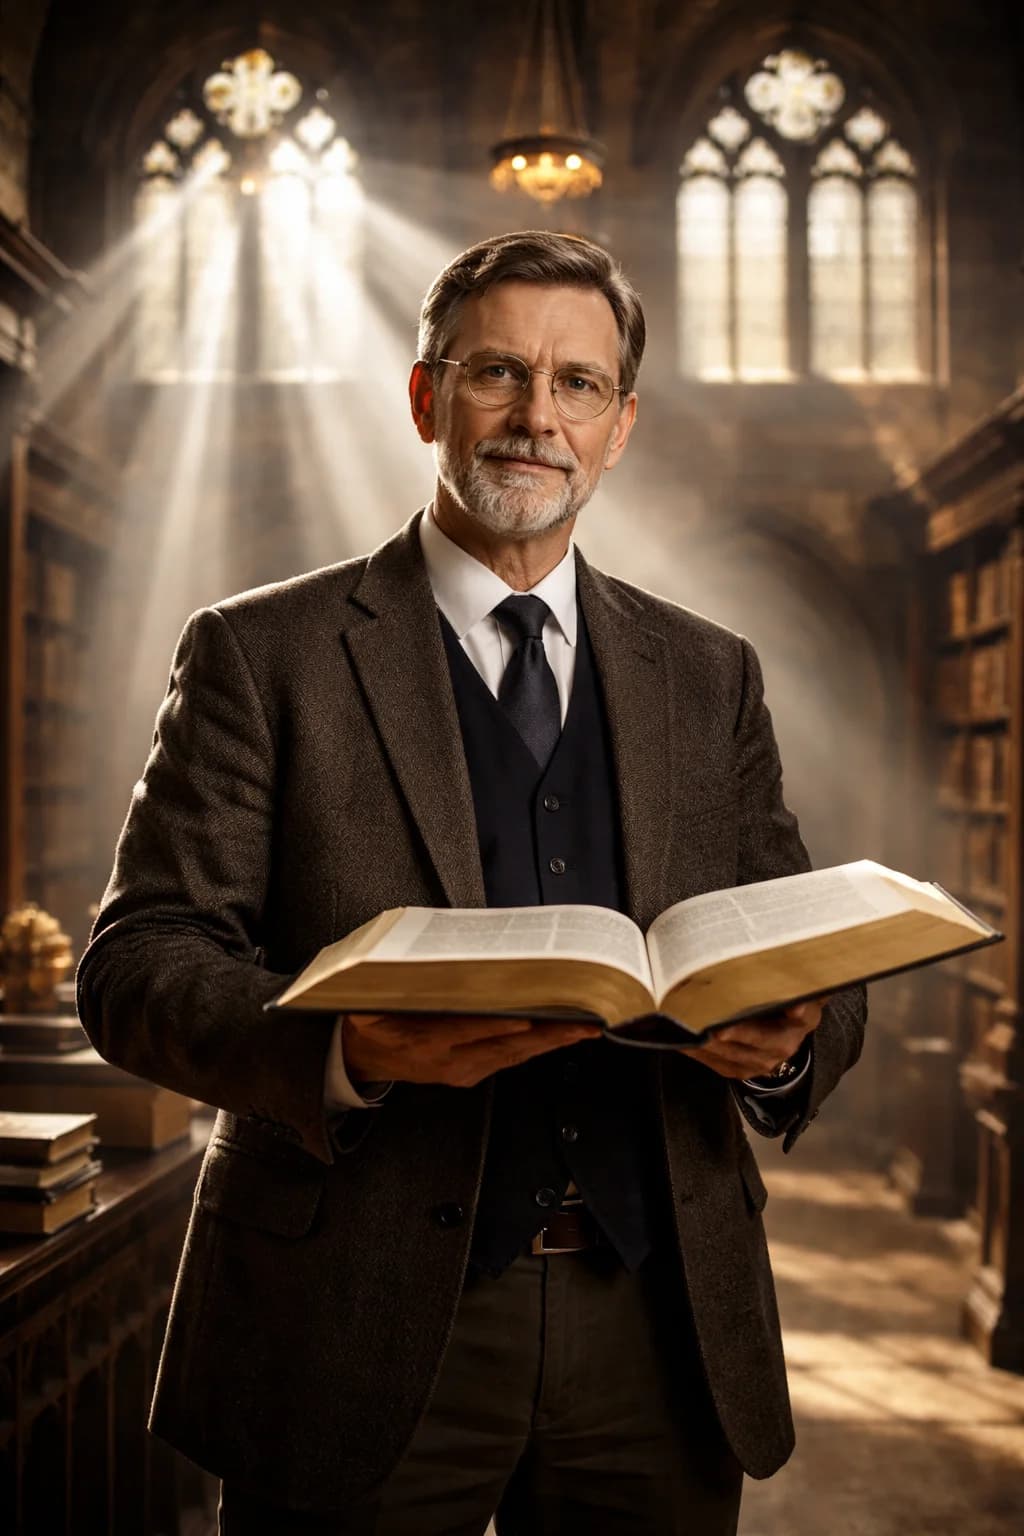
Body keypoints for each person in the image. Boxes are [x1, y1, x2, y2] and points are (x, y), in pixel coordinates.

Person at [77, 230, 866, 1536]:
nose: (536, 418)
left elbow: (811, 970)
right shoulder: (260, 652)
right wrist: (342, 1049)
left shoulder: (709, 673)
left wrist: (783, 1044)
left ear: (621, 428)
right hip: (355, 1317)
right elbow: (137, 961)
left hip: (656, 1324)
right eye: (499, 373)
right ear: (426, 397)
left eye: (577, 385)